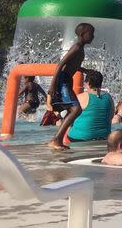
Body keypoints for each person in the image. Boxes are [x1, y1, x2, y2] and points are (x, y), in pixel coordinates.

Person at [46, 22, 95, 150]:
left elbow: (72, 65)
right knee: (76, 109)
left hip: (67, 80)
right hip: (63, 80)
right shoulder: (77, 47)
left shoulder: (80, 48)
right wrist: (52, 86)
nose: (93, 36)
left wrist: (84, 70)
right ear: (83, 34)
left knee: (72, 110)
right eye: (91, 33)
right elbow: (60, 64)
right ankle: (56, 139)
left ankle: (57, 138)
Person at [64, 70, 114, 146]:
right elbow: (111, 116)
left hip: (79, 138)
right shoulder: (108, 97)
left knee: (65, 127)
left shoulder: (81, 97)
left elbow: (67, 118)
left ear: (87, 83)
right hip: (104, 137)